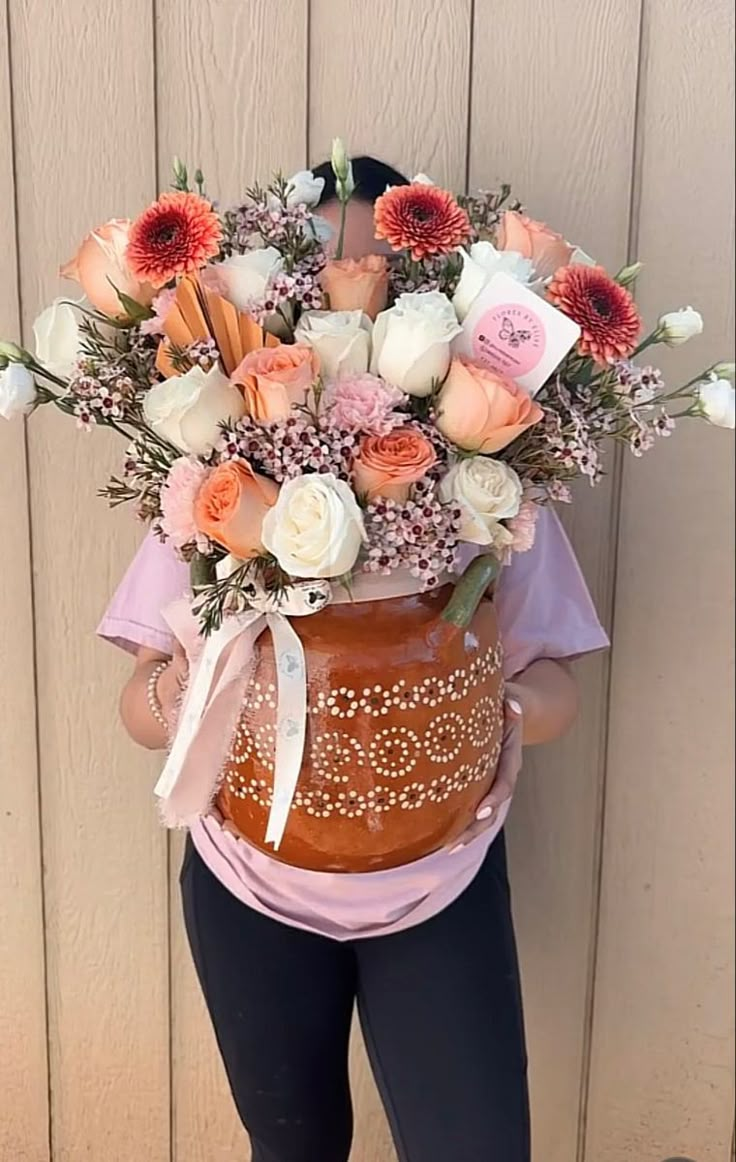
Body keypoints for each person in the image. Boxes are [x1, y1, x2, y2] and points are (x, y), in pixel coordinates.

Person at [99, 157, 609, 1162]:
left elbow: (555, 694)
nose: (348, 306)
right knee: (292, 1148)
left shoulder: (490, 488)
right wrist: (198, 685)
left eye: (373, 281)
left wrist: (466, 694)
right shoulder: (217, 486)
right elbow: (137, 704)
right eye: (324, 283)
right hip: (248, 879)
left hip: (438, 879)